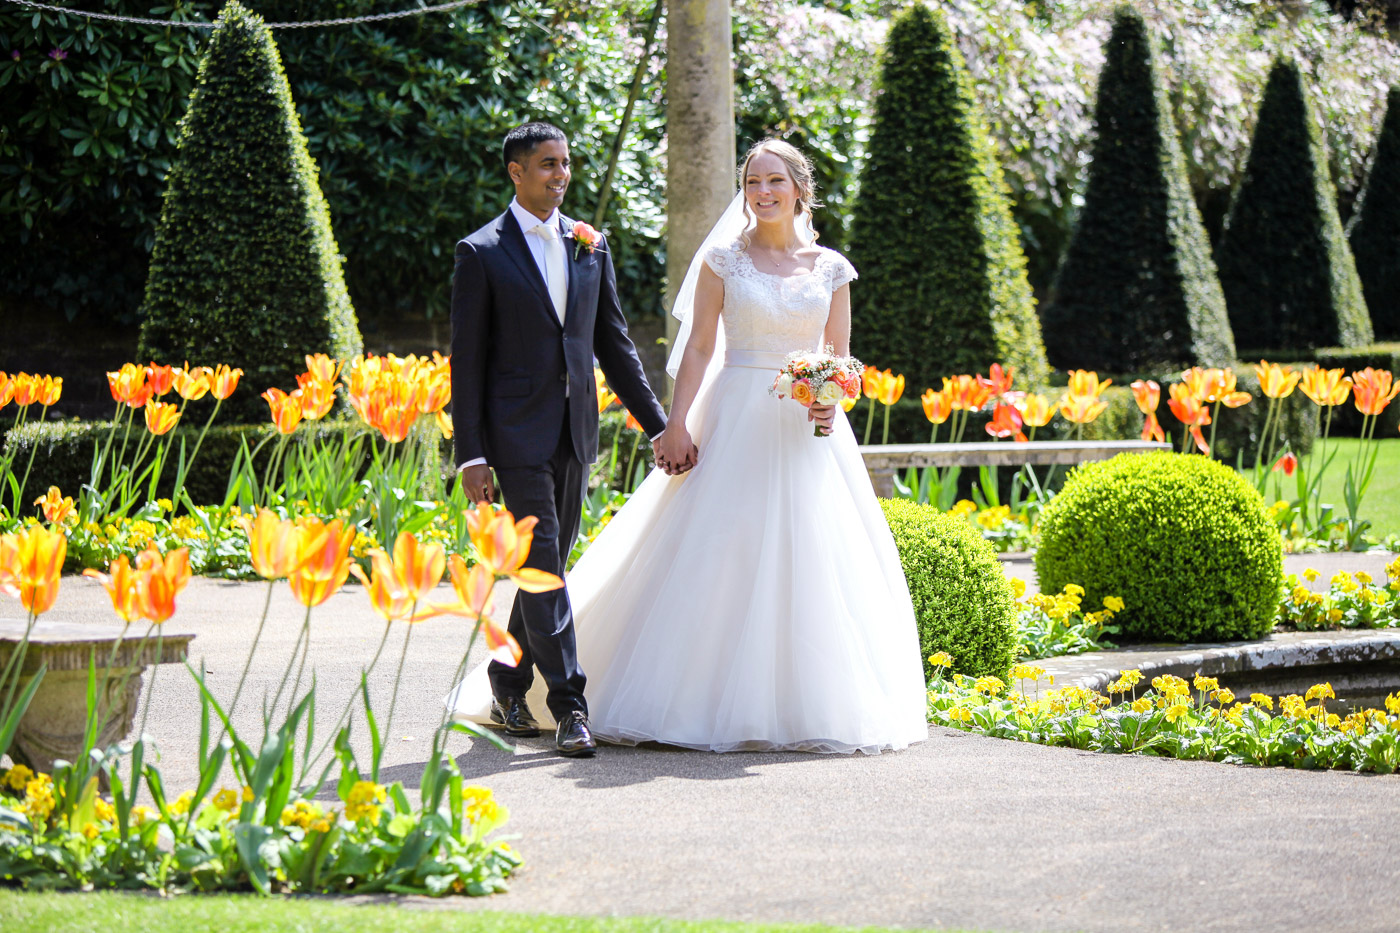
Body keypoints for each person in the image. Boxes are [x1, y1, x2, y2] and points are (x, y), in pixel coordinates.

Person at [449, 138, 927, 754]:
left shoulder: (830, 268)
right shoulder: (721, 260)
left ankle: (510, 677)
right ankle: (570, 705)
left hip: (802, 434)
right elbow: (699, 346)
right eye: (752, 181)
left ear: (799, 189)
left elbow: (833, 355)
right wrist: (673, 424)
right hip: (702, 421)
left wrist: (828, 397)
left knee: (555, 560)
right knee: (576, 559)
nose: (762, 192)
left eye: (774, 181)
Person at [448, 122, 690, 758]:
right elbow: (465, 362)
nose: (560, 175)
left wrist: (660, 425)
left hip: (575, 431)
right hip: (513, 437)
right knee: (545, 566)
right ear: (516, 172)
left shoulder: (591, 245)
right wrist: (471, 452)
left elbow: (614, 345)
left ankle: (506, 680)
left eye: (565, 164)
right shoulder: (480, 252)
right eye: (547, 164)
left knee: (545, 568)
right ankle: (569, 706)